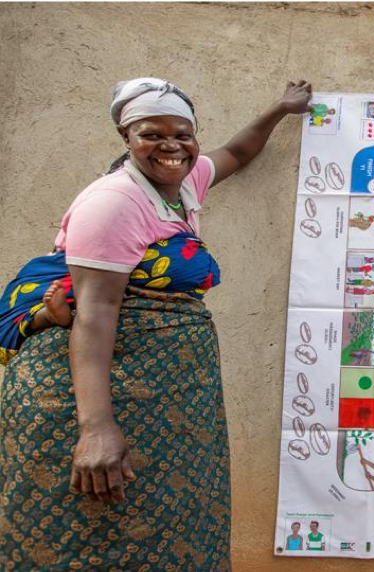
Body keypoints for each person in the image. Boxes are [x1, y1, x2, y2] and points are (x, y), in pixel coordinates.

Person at [0, 77, 313, 570]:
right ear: (126, 137)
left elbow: (236, 151)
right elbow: (96, 314)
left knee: (168, 524)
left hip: (159, 399)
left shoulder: (184, 182)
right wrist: (96, 429)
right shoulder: (115, 203)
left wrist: (281, 108)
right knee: (91, 534)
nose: (171, 146)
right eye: (152, 134)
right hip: (97, 395)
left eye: (182, 134)